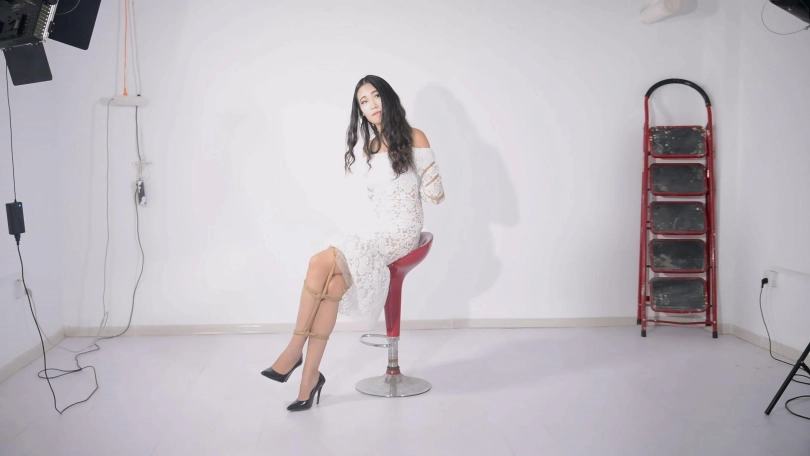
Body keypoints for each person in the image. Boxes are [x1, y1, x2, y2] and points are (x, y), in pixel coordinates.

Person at [260, 75, 446, 411]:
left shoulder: (414, 136)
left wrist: (426, 168)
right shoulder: (370, 147)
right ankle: (309, 379)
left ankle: (293, 351)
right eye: (364, 101)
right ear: (360, 111)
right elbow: (377, 201)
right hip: (375, 230)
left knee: (318, 261)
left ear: (387, 98)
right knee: (331, 284)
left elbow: (435, 195)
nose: (372, 105)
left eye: (376, 96)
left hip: (402, 232)